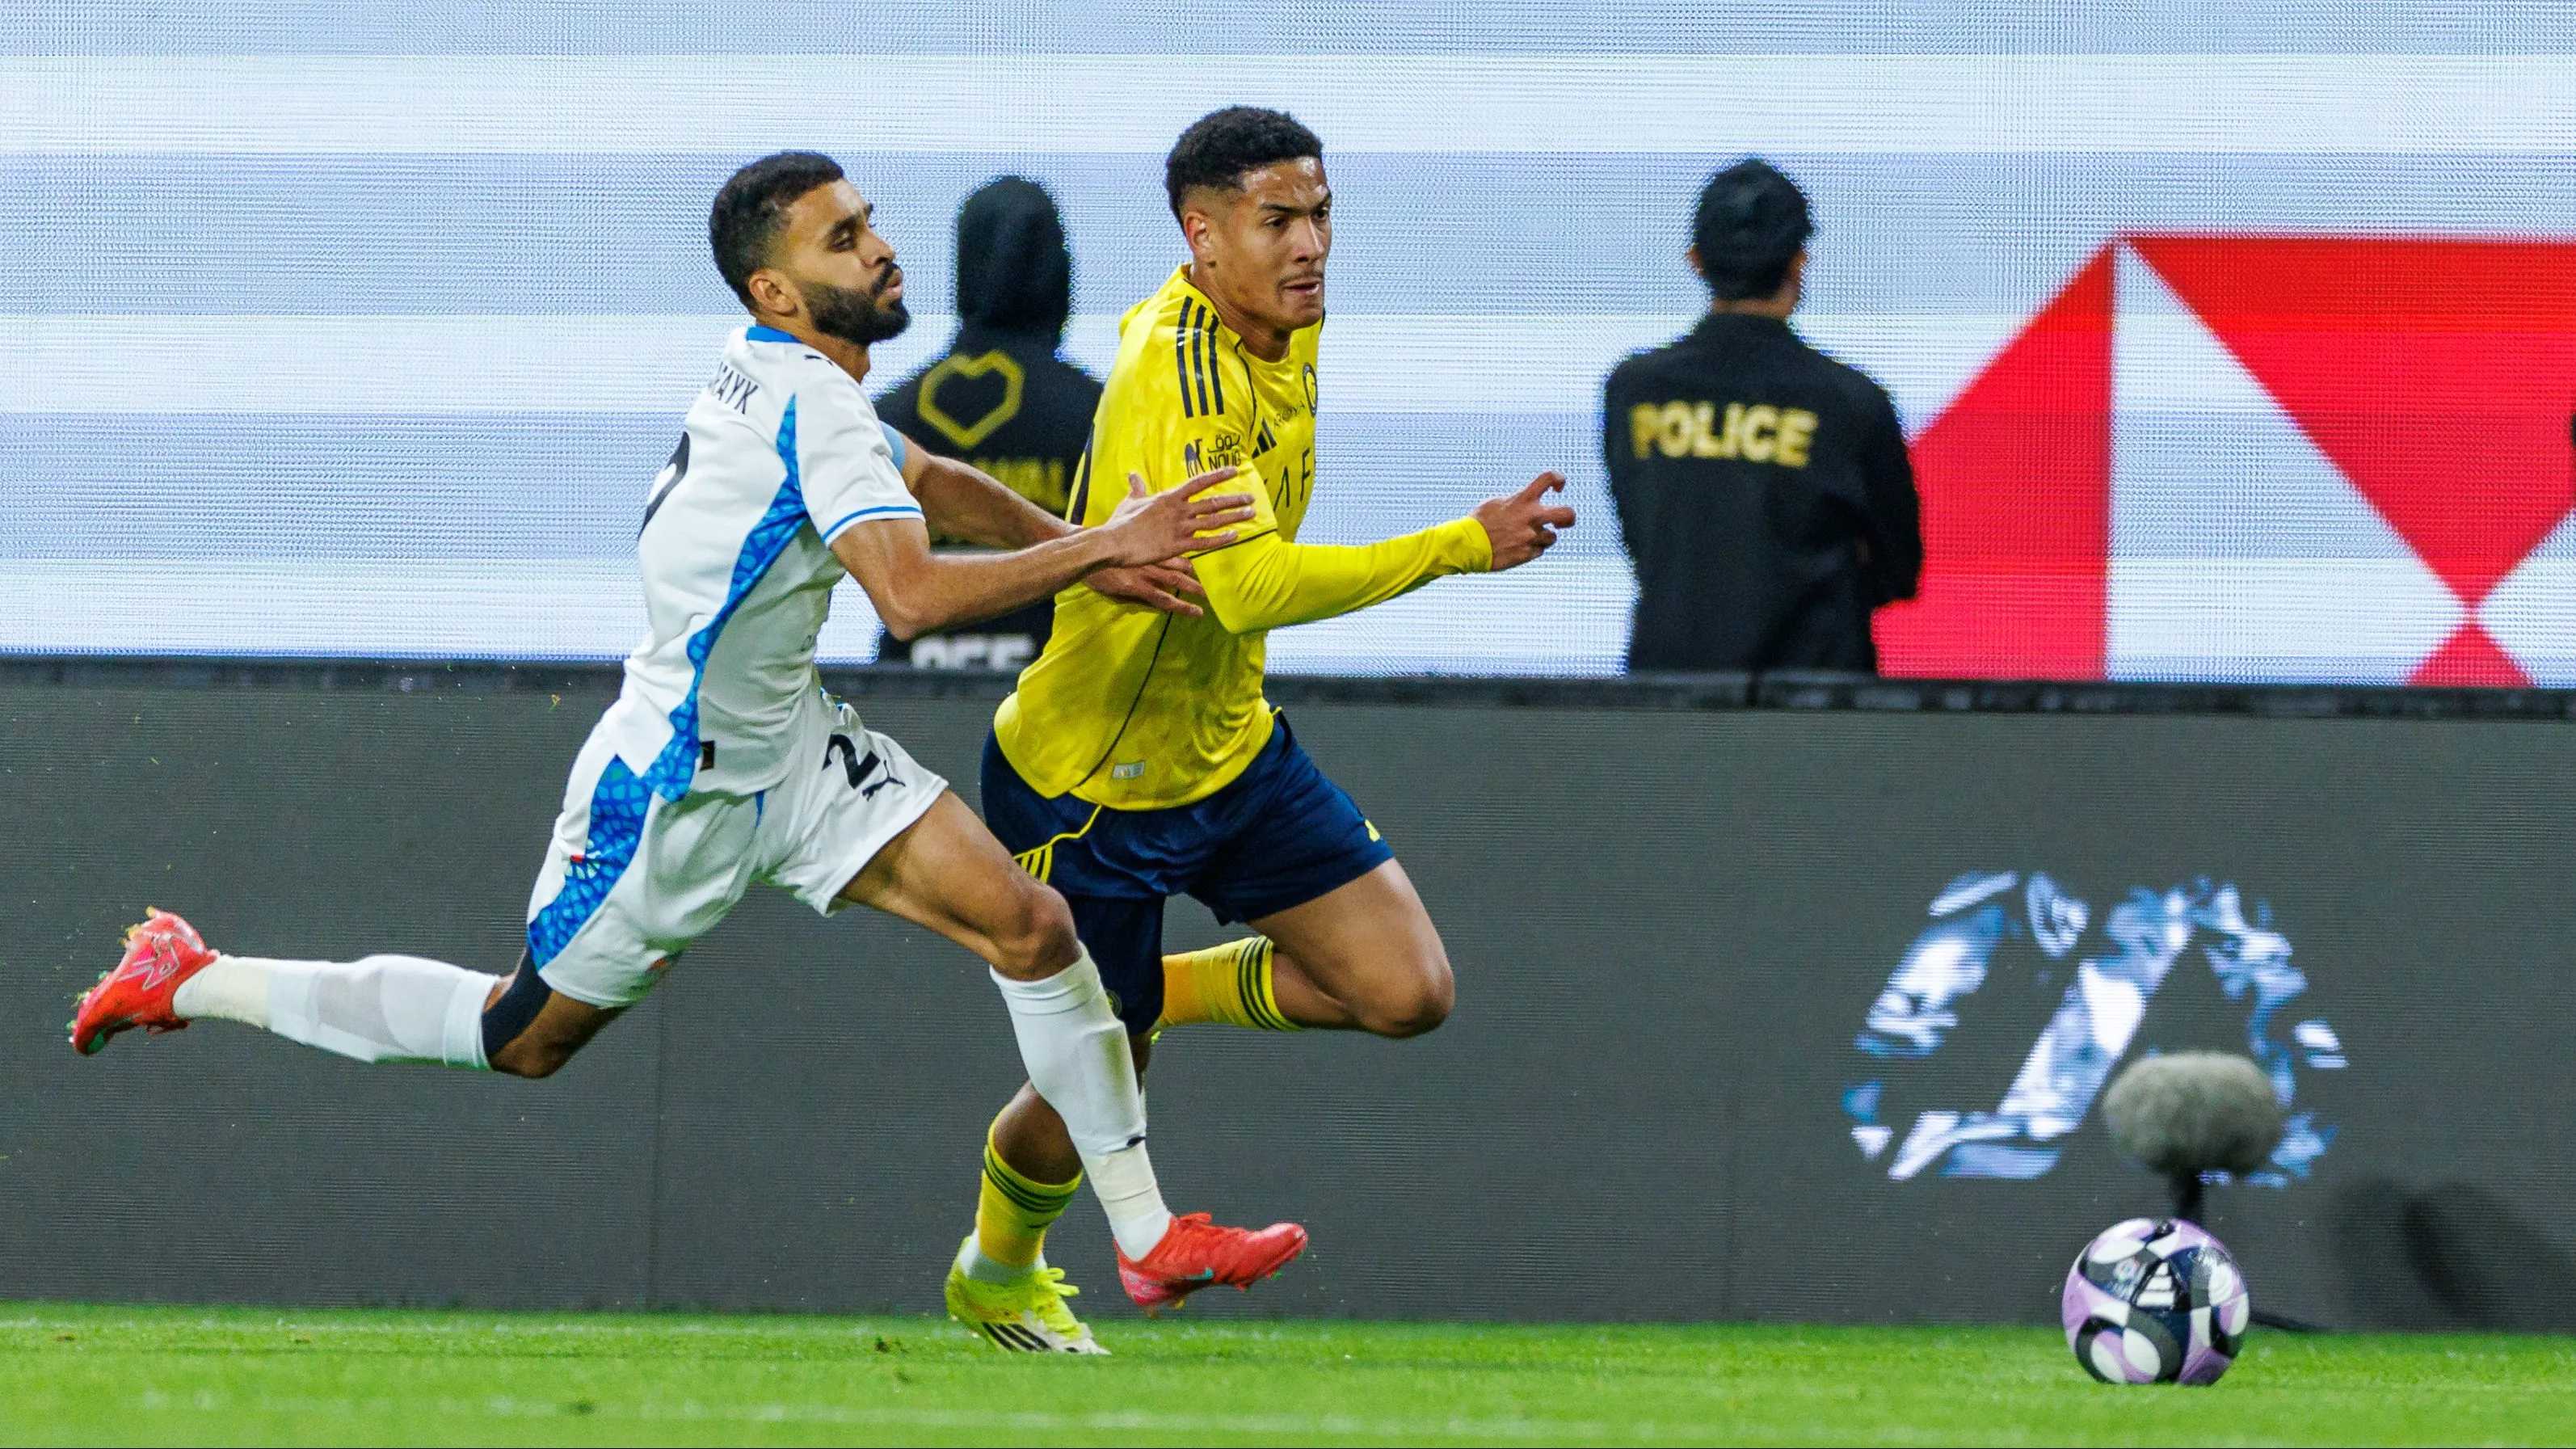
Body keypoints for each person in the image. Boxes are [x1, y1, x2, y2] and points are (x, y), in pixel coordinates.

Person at [67, 150, 1307, 1357]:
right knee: (521, 1035)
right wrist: (1103, 547)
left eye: (869, 222)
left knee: (1034, 929)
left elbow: (923, 471)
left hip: (797, 750)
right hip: (676, 786)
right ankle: (193, 976)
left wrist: (1084, 547)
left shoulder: (780, 372)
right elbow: (913, 596)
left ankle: (1143, 1236)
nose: (881, 250)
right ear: (775, 289)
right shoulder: (812, 402)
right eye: (843, 240)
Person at [941, 107, 1576, 1348]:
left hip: (1229, 751)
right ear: (1203, 234)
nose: (1311, 245)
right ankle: (997, 1268)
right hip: (1092, 783)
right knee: (1085, 1087)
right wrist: (1460, 544)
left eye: (1321, 215)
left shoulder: (1284, 326)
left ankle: (1151, 996)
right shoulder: (1179, 369)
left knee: (1407, 990)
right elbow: (1243, 586)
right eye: (1278, 220)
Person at [1603, 158, 1921, 673]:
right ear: (1799, 262)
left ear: (1695, 260)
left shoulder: (1634, 392)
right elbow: (1898, 568)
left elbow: (1648, 538)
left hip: (1669, 694)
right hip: (1817, 700)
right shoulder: (1850, 401)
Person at [876, 176, 1103, 672]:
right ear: (1056, 272)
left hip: (907, 693)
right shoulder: (1097, 411)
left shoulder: (886, 417)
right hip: (1058, 687)